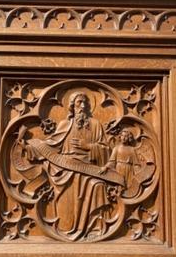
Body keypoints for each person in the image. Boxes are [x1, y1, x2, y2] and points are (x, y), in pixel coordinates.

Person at [25, 92, 111, 239]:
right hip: (65, 171)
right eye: (79, 103)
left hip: (89, 171)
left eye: (85, 103)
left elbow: (106, 150)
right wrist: (30, 147)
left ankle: (93, 228)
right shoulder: (65, 125)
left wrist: (88, 146)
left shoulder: (96, 125)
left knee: (98, 186)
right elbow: (51, 146)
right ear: (72, 106)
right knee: (67, 213)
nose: (83, 106)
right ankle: (66, 227)